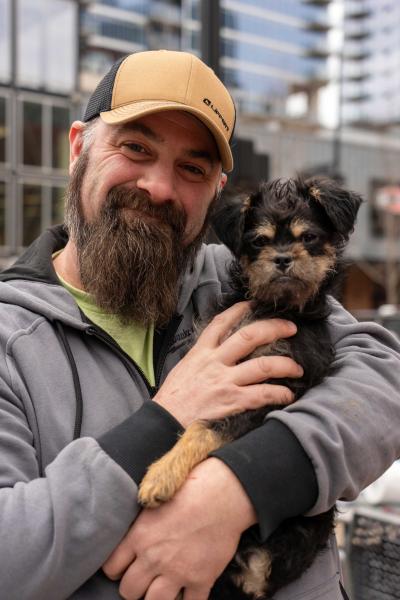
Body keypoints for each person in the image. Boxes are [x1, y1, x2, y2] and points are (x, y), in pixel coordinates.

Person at [0, 49, 399, 600]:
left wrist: (241, 484)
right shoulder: (8, 340)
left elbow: (384, 380)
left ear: (215, 190)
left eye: (192, 167)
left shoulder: (241, 283)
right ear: (78, 150)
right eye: (135, 147)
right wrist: (167, 418)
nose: (160, 187)